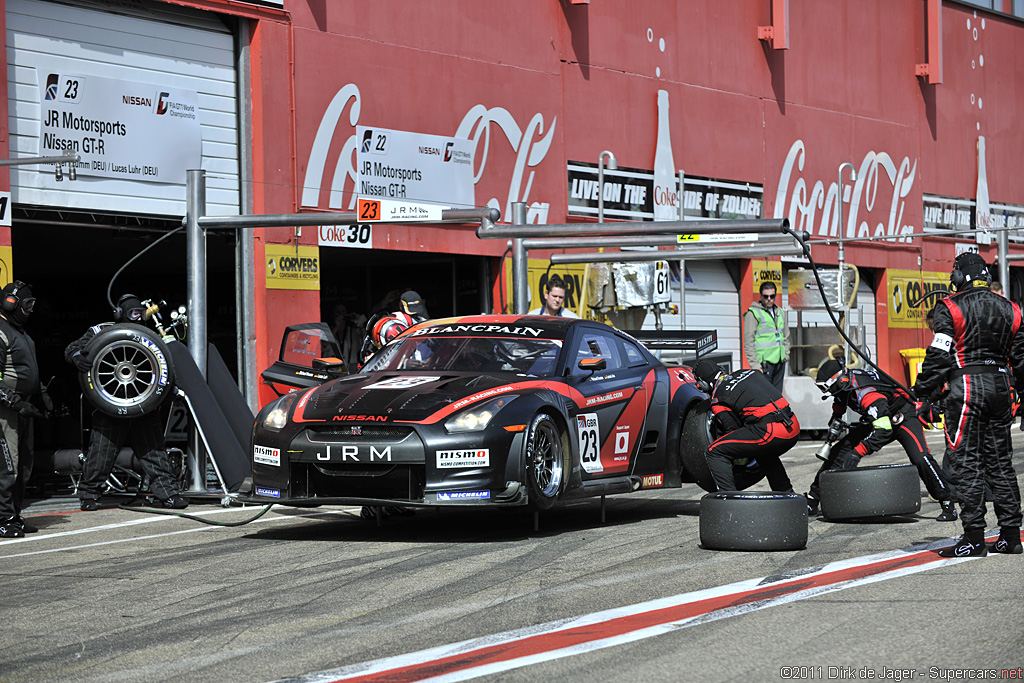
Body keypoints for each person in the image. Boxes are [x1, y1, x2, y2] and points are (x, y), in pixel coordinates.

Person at [914, 252, 1024, 556]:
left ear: (960, 276)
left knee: (967, 464)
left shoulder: (949, 307)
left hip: (967, 391)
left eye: (954, 273)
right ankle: (1010, 536)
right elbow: (1022, 360)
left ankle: (974, 538)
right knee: (1002, 464)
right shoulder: (1012, 309)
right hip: (1002, 389)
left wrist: (921, 391)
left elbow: (939, 356)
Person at [66, 294, 189, 511]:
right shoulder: (101, 330)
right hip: (110, 401)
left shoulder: (151, 335)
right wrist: (77, 356)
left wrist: (169, 390)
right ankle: (89, 495)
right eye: (133, 314)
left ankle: (168, 495)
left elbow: (167, 365)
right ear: (119, 314)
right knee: (101, 451)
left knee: (153, 450)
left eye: (141, 314)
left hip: (145, 402)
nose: (138, 318)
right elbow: (72, 348)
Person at [806, 359, 956, 520]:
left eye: (825, 387)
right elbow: (841, 400)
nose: (825, 392)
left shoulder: (867, 394)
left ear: (838, 381)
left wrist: (858, 452)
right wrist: (836, 417)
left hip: (902, 416)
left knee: (920, 458)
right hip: (879, 417)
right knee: (838, 452)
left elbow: (883, 431)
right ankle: (813, 500)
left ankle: (947, 501)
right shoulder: (847, 383)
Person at [692, 359, 800, 494]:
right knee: (764, 452)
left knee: (714, 451)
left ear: (703, 383)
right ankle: (788, 497)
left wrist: (740, 465)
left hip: (770, 432)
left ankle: (729, 501)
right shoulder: (749, 372)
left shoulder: (718, 398)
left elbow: (731, 431)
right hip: (792, 425)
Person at [0, 281, 44, 537]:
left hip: (24, 406)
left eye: (32, 304)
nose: (30, 310)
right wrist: (15, 402)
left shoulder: (21, 332)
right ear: (10, 303)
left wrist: (43, 395)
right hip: (7, 409)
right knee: (8, 466)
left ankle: (13, 516)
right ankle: (2, 519)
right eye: (26, 304)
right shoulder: (1, 331)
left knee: (25, 465)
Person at [743, 281, 790, 392]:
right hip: (764, 364)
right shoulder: (753, 313)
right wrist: (755, 365)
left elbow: (786, 335)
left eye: (772, 296)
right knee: (766, 395)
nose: (769, 299)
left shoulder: (780, 312)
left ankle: (777, 410)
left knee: (778, 395)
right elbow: (748, 342)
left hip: (780, 361)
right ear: (761, 296)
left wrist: (786, 355)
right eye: (766, 296)